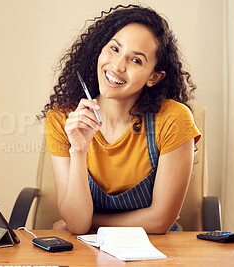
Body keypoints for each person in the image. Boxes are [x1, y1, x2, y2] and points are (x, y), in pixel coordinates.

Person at [40, 4, 201, 234]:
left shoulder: (174, 120)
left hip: (156, 250)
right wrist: (78, 151)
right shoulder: (62, 119)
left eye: (136, 60)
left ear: (154, 77)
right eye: (114, 49)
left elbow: (160, 221)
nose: (117, 66)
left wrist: (91, 223)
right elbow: (77, 225)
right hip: (86, 253)